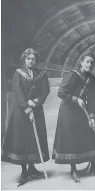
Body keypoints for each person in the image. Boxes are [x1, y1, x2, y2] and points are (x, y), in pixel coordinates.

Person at [52, 53, 95, 183]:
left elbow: (94, 98)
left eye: (92, 63)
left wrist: (93, 116)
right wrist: (76, 99)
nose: (89, 65)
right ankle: (73, 169)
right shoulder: (71, 75)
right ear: (81, 62)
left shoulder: (91, 79)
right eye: (87, 62)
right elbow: (61, 92)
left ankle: (93, 166)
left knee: (91, 135)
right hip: (69, 111)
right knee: (72, 139)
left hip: (84, 111)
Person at [2, 48, 50, 186]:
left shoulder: (42, 74)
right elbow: (17, 91)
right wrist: (27, 107)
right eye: (28, 59)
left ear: (36, 60)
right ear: (24, 60)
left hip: (37, 109)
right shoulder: (19, 73)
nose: (31, 61)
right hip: (21, 112)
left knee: (35, 139)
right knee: (22, 140)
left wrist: (36, 102)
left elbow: (45, 90)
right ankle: (24, 171)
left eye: (33, 59)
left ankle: (33, 168)